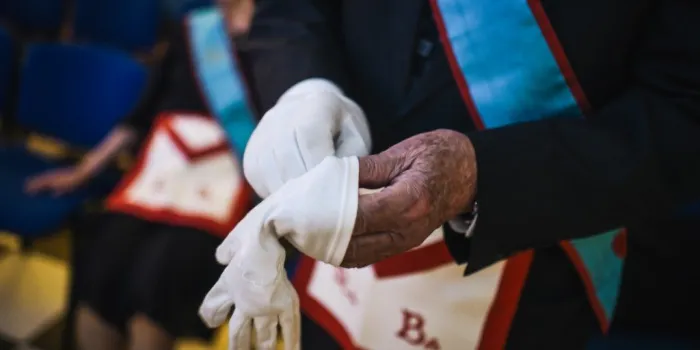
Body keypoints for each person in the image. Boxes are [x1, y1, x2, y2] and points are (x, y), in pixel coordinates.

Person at [201, 0, 700, 349]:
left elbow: (684, 114)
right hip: (335, 238)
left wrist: (477, 176)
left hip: (530, 253)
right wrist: (304, 87)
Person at [24, 2, 258, 349]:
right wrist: (83, 170)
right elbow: (141, 115)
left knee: (159, 282)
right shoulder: (193, 28)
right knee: (103, 264)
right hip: (159, 177)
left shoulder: (286, 36)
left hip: (230, 186)